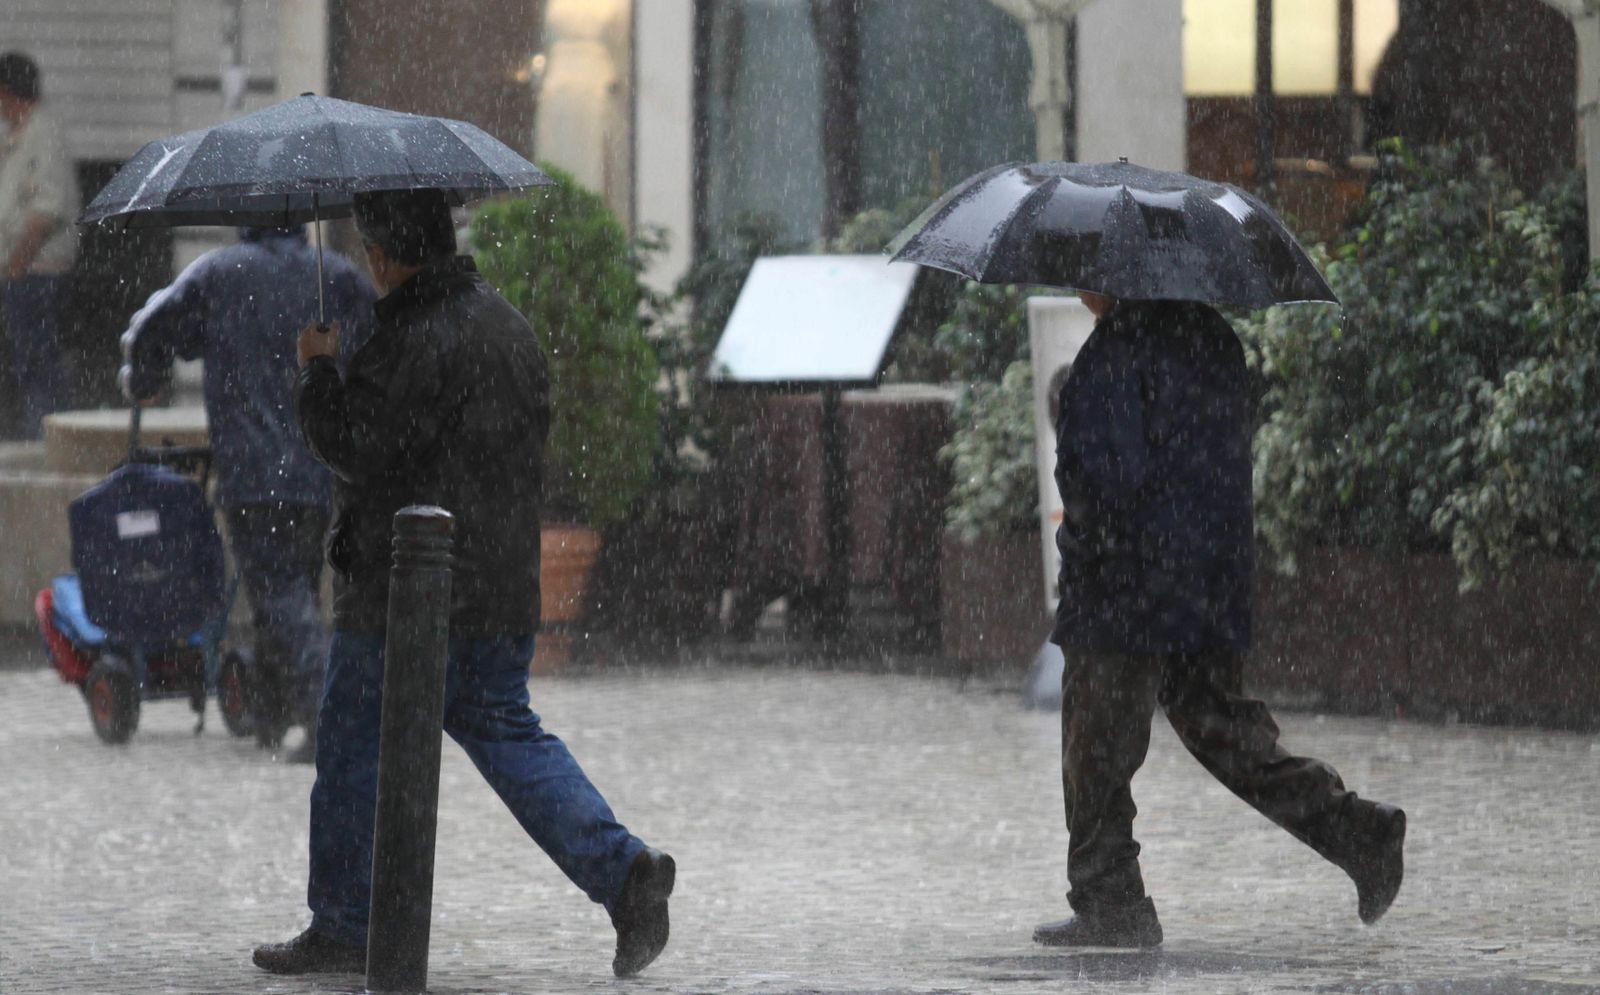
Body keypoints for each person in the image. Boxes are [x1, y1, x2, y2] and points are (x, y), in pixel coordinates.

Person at [252, 188, 675, 979]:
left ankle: (345, 921)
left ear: (381, 254)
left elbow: (355, 447)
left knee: (351, 750)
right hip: (500, 587)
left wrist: (317, 373)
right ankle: (625, 874)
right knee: (510, 735)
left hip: (402, 595)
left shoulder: (408, 335)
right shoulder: (508, 325)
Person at [1034, 291, 1406, 948]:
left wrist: (1086, 542)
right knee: (1224, 728)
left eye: (1087, 273)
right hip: (1207, 577)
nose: (1082, 288)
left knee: (1095, 746)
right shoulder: (1211, 336)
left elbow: (1106, 481)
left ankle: (1110, 898)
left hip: (1125, 589)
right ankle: (1354, 830)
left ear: (1117, 278)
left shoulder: (1115, 352)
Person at [120, 225, 375, 761]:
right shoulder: (337, 277)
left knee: (279, 590)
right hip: (317, 466)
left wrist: (145, 374)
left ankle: (328, 717)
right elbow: (379, 343)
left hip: (253, 468)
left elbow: (152, 328)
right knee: (292, 588)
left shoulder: (220, 272)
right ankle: (275, 711)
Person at [0, 51, 75, 439]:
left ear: (8, 92)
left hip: (37, 272)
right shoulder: (20, 135)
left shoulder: (42, 135)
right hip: (24, 271)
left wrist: (17, 264)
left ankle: (45, 435)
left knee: (38, 363)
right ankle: (41, 431)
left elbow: (47, 209)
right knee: (30, 362)